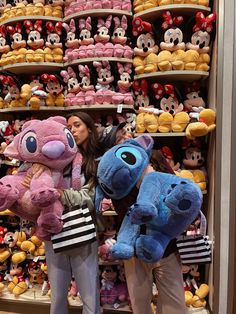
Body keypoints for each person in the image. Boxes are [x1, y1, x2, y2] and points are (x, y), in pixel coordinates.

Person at [98, 123, 187, 314]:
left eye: (126, 132)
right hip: (136, 250)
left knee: (175, 305)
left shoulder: (154, 156)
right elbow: (124, 211)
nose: (127, 136)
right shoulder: (114, 177)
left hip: (166, 246)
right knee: (140, 304)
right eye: (120, 138)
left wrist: (152, 177)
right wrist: (140, 183)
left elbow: (176, 188)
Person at [44, 112, 101, 314]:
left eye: (77, 125)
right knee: (57, 291)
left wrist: (61, 194)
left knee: (89, 292)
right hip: (54, 228)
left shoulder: (96, 161)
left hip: (83, 228)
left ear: (89, 128)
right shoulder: (57, 159)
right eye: (69, 128)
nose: (73, 131)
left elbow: (92, 198)